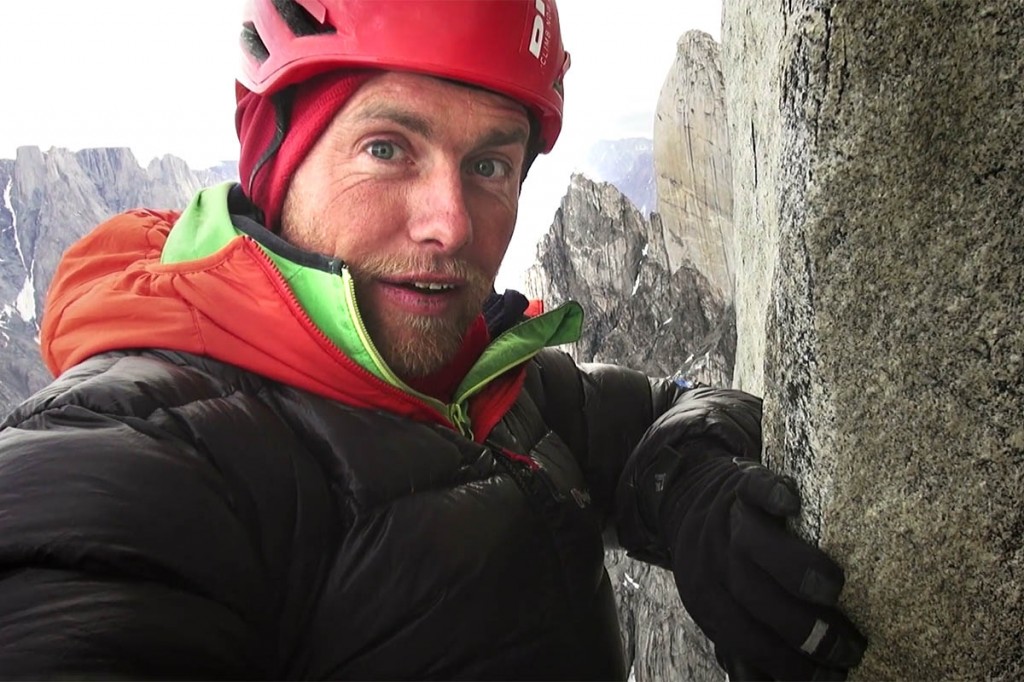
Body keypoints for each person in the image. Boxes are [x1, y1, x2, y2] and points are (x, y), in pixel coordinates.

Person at [0, 1, 866, 679]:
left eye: (490, 164)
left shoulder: (483, 385)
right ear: (278, 157)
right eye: (387, 147)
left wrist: (690, 481)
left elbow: (656, 414)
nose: (449, 224)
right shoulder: (141, 457)